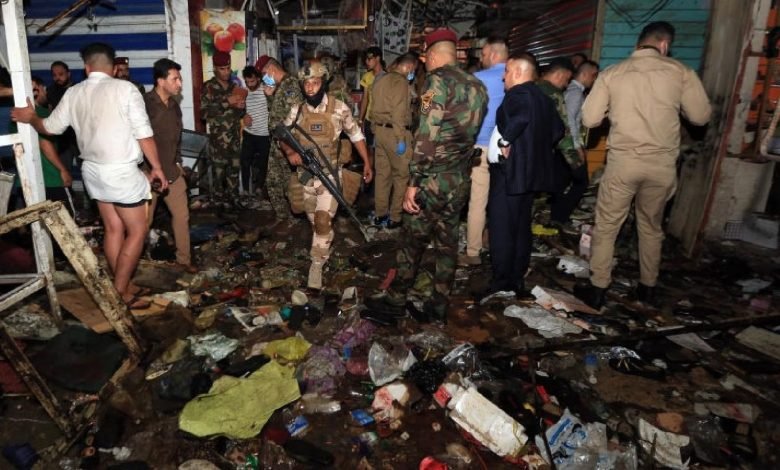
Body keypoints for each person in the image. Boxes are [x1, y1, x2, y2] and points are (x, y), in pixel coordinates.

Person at [12, 42, 168, 308]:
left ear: (86, 68)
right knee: (137, 231)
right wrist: (157, 167)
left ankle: (122, 283)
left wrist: (31, 118)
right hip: (120, 171)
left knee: (113, 228)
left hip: (92, 172)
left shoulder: (74, 92)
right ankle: (120, 293)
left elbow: (50, 128)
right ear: (113, 67)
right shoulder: (126, 89)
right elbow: (144, 133)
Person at [575, 21, 712, 309]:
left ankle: (598, 289)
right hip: (661, 165)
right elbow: (700, 117)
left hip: (623, 163)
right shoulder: (681, 72)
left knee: (607, 226)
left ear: (639, 43)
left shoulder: (613, 74)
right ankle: (647, 287)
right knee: (650, 227)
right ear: (664, 44)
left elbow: (589, 119)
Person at [391, 29, 487, 322]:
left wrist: (414, 182)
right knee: (447, 243)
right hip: (459, 179)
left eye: (425, 58)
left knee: (412, 240)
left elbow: (426, 135)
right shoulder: (477, 85)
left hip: (432, 179)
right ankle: (439, 302)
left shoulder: (436, 82)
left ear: (432, 55)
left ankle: (396, 297)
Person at [280, 61, 373, 289]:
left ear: (323, 83)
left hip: (330, 174)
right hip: (306, 176)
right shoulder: (297, 110)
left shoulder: (339, 108)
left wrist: (367, 163)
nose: (310, 88)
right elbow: (282, 134)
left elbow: (356, 135)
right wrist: (290, 152)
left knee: (322, 220)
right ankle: (323, 246)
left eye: (315, 82)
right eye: (306, 84)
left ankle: (316, 266)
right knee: (316, 222)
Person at [487, 53, 565, 296]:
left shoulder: (518, 94)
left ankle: (501, 282)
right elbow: (558, 130)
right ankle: (516, 278)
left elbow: (520, 117)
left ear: (519, 72)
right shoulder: (544, 98)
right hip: (530, 176)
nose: (504, 77)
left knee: (501, 227)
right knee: (521, 228)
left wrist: (506, 140)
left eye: (507, 71)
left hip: (510, 173)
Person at [460, 36, 508, 266]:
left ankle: (473, 251)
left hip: (480, 145)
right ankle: (498, 244)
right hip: (507, 147)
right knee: (502, 199)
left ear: (495, 54)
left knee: (478, 201)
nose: (482, 58)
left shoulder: (478, 79)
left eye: (485, 54)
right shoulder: (518, 78)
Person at [144, 58, 195, 273]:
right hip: (148, 175)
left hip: (172, 172)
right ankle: (137, 263)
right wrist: (142, 171)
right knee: (143, 223)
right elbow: (134, 140)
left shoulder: (174, 106)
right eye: (175, 79)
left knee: (182, 217)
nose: (180, 84)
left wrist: (178, 161)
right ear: (160, 81)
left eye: (180, 79)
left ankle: (184, 260)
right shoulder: (144, 105)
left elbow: (177, 138)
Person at [369, 53, 418, 229]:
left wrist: (375, 131)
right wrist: (400, 139)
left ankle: (380, 214)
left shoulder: (380, 80)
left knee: (382, 176)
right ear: (409, 67)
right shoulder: (401, 82)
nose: (413, 74)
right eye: (414, 70)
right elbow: (398, 113)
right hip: (396, 134)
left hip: (380, 133)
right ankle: (395, 217)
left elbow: (372, 108)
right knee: (401, 176)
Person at [10, 76, 72, 210]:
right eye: (44, 89)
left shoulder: (15, 116)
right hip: (51, 178)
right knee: (64, 219)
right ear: (36, 90)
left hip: (25, 180)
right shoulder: (42, 114)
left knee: (33, 219)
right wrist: (62, 170)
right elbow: (45, 143)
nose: (46, 92)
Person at [256, 55, 303, 221]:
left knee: (289, 184)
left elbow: (294, 117)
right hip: (278, 142)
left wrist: (289, 148)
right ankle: (284, 218)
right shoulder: (280, 87)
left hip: (288, 143)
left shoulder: (291, 85)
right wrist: (270, 96)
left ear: (271, 69)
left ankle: (293, 219)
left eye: (264, 73)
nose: (264, 78)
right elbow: (277, 112)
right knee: (274, 182)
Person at [553, 60, 600, 225]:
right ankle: (561, 216)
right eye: (593, 76)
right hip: (570, 146)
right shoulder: (575, 93)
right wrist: (577, 145)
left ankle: (557, 217)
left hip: (564, 144)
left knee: (562, 181)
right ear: (585, 74)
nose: (594, 80)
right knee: (581, 182)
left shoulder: (572, 91)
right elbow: (570, 121)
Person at [537, 58, 579, 227]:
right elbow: (563, 131)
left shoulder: (531, 86)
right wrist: (574, 161)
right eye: (567, 80)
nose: (566, 85)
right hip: (542, 154)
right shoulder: (554, 94)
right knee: (537, 197)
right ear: (560, 74)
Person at [200, 51, 245, 198]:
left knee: (234, 174)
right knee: (218, 178)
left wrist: (241, 108)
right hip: (218, 143)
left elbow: (239, 114)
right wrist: (227, 102)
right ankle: (218, 204)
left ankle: (234, 202)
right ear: (215, 68)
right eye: (222, 69)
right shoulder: (209, 87)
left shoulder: (234, 87)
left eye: (228, 68)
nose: (226, 72)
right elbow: (204, 113)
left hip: (235, 139)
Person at [240, 66, 271, 195]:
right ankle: (246, 190)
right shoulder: (244, 92)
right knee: (244, 162)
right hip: (249, 133)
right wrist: (243, 115)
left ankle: (259, 187)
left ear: (258, 78)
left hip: (264, 135)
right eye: (247, 82)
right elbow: (239, 108)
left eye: (252, 81)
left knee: (263, 163)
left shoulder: (266, 89)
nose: (249, 84)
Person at [48, 60, 79, 174]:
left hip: (79, 137)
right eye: (54, 75)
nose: (57, 78)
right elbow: (50, 111)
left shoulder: (78, 89)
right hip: (61, 139)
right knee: (64, 171)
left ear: (68, 74)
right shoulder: (51, 91)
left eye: (61, 74)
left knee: (87, 170)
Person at [358, 47, 385, 156]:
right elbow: (365, 99)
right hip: (369, 118)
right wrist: (360, 120)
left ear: (377, 58)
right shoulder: (367, 76)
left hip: (381, 119)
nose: (367, 62)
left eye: (369, 59)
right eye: (366, 59)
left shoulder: (387, 77)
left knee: (380, 150)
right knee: (370, 149)